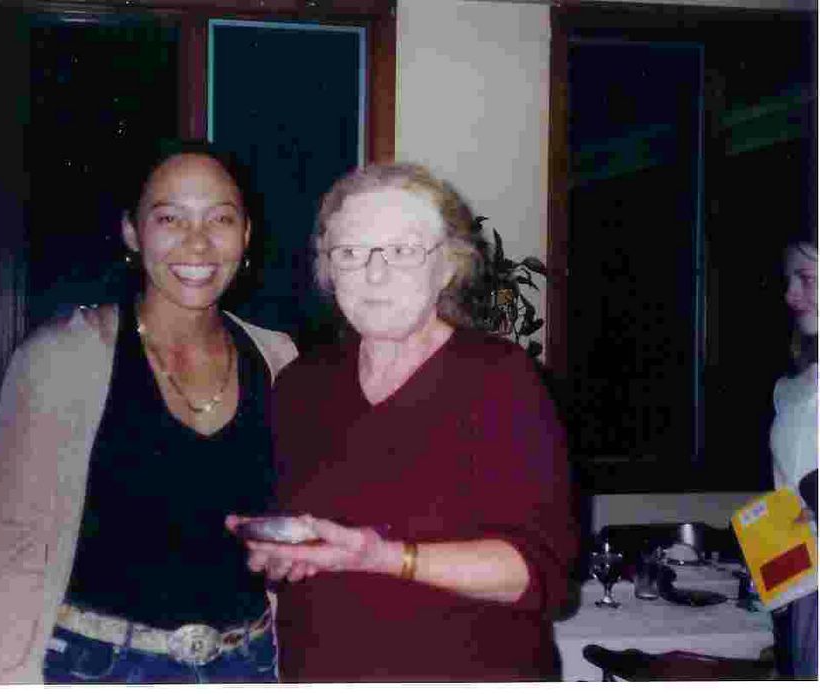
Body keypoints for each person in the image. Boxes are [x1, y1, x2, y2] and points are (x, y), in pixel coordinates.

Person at [228, 162, 577, 681]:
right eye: (350, 253)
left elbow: (542, 576)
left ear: (448, 266)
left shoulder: (500, 378)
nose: (374, 274)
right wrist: (280, 557)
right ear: (328, 269)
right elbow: (301, 542)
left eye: (403, 251)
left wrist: (385, 557)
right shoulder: (302, 384)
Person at [0, 142, 298, 684]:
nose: (197, 241)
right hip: (99, 669)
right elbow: (12, 551)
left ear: (246, 234)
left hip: (249, 665)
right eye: (170, 218)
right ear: (131, 232)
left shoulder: (279, 360)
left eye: (220, 218)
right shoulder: (65, 358)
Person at [770, 235, 818, 680]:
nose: (790, 295)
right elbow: (788, 497)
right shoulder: (791, 389)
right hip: (804, 587)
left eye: (806, 278)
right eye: (788, 281)